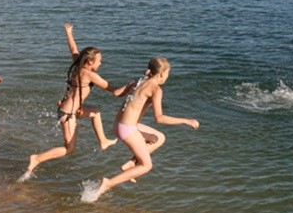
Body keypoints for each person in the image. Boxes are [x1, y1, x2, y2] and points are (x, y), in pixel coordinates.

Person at [24, 24, 127, 178]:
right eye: (99, 61)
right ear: (90, 62)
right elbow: (115, 91)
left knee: (95, 112)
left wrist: (68, 32)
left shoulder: (78, 63)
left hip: (69, 109)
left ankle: (103, 141)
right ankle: (37, 158)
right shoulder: (90, 75)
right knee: (69, 148)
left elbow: (73, 49)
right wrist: (135, 85)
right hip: (68, 113)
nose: (101, 64)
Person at [92, 57, 199, 200]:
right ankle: (108, 183)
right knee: (147, 165)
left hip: (118, 124)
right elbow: (159, 118)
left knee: (159, 138)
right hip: (127, 128)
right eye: (168, 73)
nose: (168, 76)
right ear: (161, 74)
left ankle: (131, 163)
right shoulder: (156, 89)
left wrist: (135, 83)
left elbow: (116, 93)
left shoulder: (138, 81)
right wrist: (185, 120)